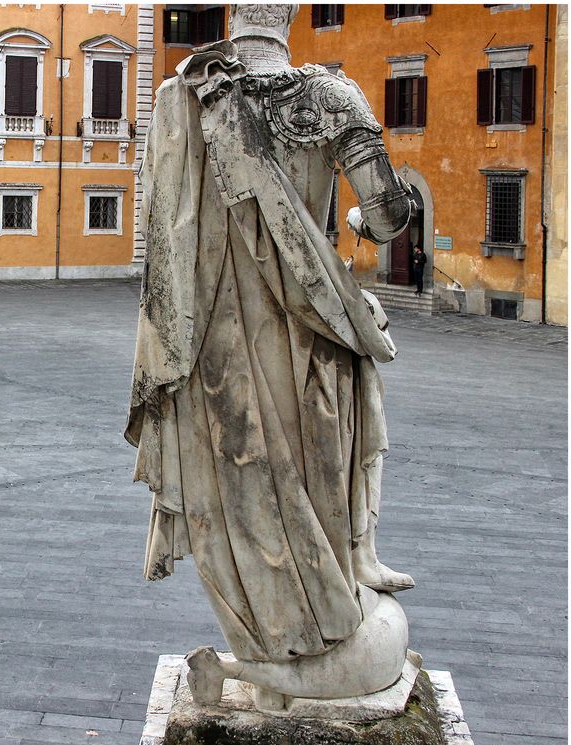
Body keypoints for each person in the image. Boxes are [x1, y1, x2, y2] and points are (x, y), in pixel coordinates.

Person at [126, 4, 415, 707]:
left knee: (243, 489)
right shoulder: (332, 95)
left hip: (217, 343)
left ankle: (265, 647)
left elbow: (161, 238)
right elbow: (387, 216)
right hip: (313, 330)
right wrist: (346, 225)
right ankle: (326, 626)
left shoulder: (182, 98)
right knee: (320, 479)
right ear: (290, 17)